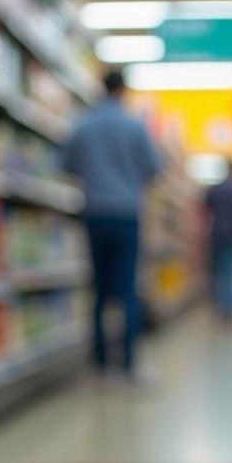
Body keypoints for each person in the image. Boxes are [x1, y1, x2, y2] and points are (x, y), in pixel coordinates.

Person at [60, 69, 162, 379]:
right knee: (127, 288)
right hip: (126, 213)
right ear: (123, 90)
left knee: (99, 289)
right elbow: (153, 169)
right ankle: (128, 365)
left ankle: (101, 364)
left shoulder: (83, 126)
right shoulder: (135, 127)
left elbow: (66, 165)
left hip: (93, 213)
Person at [204, 164, 232, 321]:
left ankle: (219, 305)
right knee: (231, 270)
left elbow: (204, 213)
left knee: (217, 271)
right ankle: (230, 307)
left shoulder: (213, 189)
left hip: (215, 233)